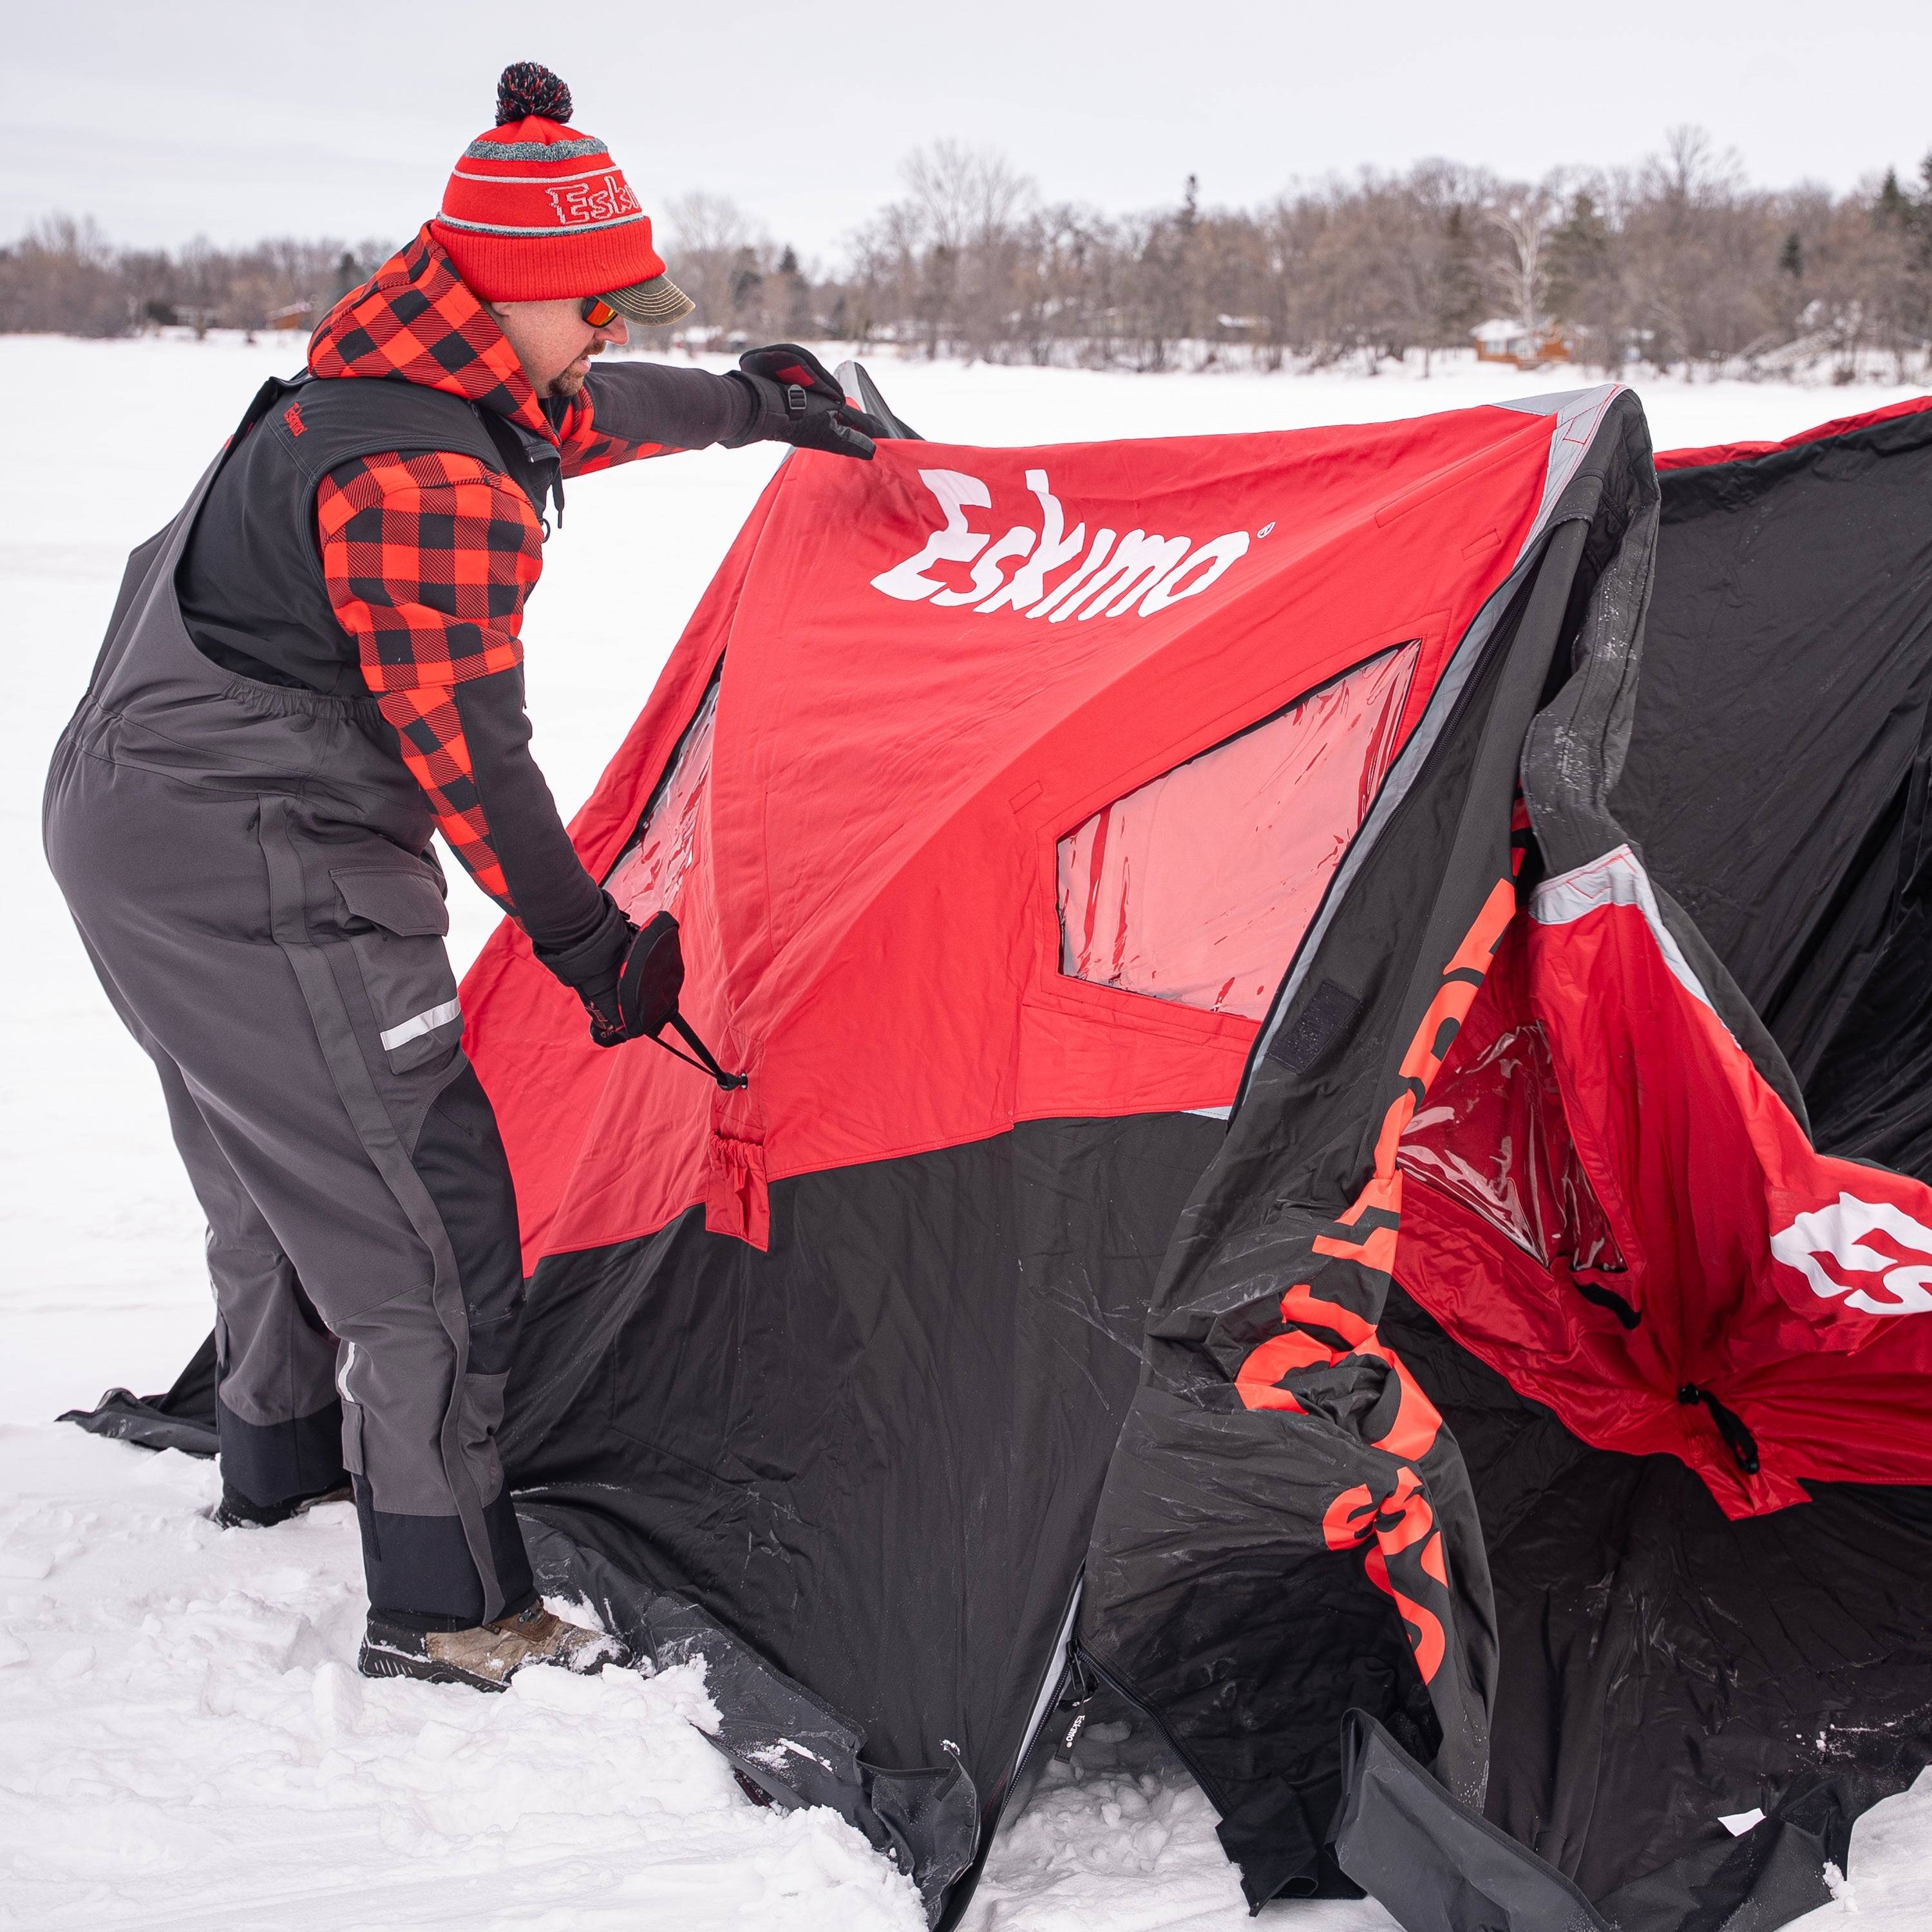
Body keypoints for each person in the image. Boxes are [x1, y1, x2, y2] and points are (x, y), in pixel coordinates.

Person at [42, 62, 882, 1693]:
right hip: (257, 851)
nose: (615, 335)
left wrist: (763, 406)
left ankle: (278, 1465)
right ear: (519, 293)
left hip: (131, 820)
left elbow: (594, 413)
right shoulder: (424, 482)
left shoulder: (390, 377)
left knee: (277, 1176)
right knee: (426, 1223)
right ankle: (448, 1603)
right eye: (603, 306)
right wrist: (588, 945)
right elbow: (473, 760)